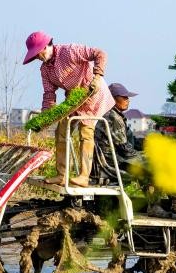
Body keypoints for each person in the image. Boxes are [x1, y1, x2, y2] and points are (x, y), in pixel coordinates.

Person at [23, 31, 114, 187]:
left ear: (46, 46)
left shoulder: (70, 51)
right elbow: (49, 94)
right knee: (61, 131)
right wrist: (46, 116)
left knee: (86, 132)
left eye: (39, 53)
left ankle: (84, 177)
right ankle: (61, 174)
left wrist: (97, 76)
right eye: (35, 56)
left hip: (91, 92)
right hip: (72, 99)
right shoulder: (45, 70)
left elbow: (100, 53)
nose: (38, 57)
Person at [93, 82, 145, 185]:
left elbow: (129, 140)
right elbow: (124, 148)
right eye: (124, 97)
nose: (128, 100)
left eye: (127, 98)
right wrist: (142, 158)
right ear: (113, 99)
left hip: (110, 160)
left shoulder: (111, 114)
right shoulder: (114, 117)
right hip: (112, 163)